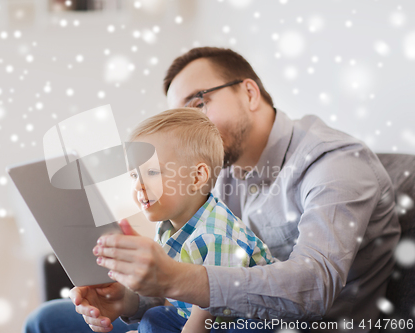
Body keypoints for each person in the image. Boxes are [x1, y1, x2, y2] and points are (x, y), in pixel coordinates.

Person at [24, 47, 401, 333]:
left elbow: (314, 286)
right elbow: (191, 269)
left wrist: (174, 279)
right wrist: (130, 299)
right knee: (48, 320)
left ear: (249, 93)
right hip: (216, 315)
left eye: (198, 102)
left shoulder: (334, 163)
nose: (190, 124)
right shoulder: (216, 173)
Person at [125, 108, 274, 333]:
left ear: (196, 177)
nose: (138, 186)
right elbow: (173, 297)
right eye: (134, 176)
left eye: (152, 172)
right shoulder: (166, 227)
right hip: (208, 317)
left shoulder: (215, 233)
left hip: (252, 318)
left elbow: (210, 307)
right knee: (154, 317)